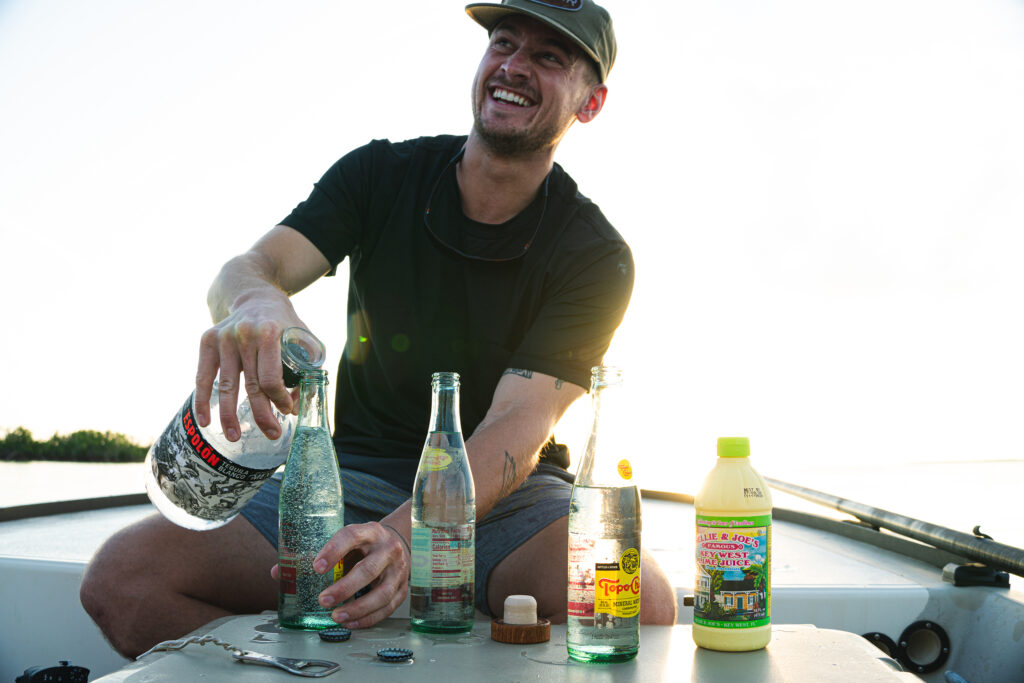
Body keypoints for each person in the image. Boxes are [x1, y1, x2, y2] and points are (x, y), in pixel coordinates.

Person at [81, 0, 678, 658]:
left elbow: (521, 422)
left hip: (508, 499)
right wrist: (256, 303)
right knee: (123, 580)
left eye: (547, 56)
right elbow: (250, 267)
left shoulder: (596, 253)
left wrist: (405, 538)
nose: (513, 65)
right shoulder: (379, 176)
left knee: (644, 607)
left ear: (589, 103)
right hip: (351, 479)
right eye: (503, 42)